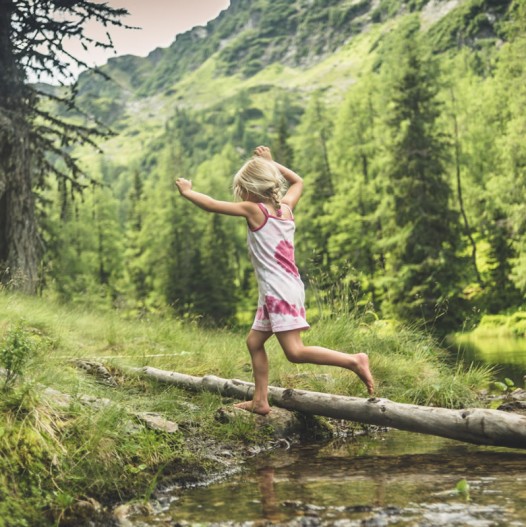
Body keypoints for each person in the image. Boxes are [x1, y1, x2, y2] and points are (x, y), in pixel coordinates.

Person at [175, 146, 374, 415]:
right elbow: (298, 181)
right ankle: (260, 401)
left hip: (278, 292)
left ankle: (354, 360)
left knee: (295, 352)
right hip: (284, 289)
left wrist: (188, 192)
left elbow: (211, 205)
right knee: (254, 343)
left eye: (241, 188)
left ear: (251, 189)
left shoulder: (254, 210)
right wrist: (272, 163)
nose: (239, 193)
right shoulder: (286, 208)